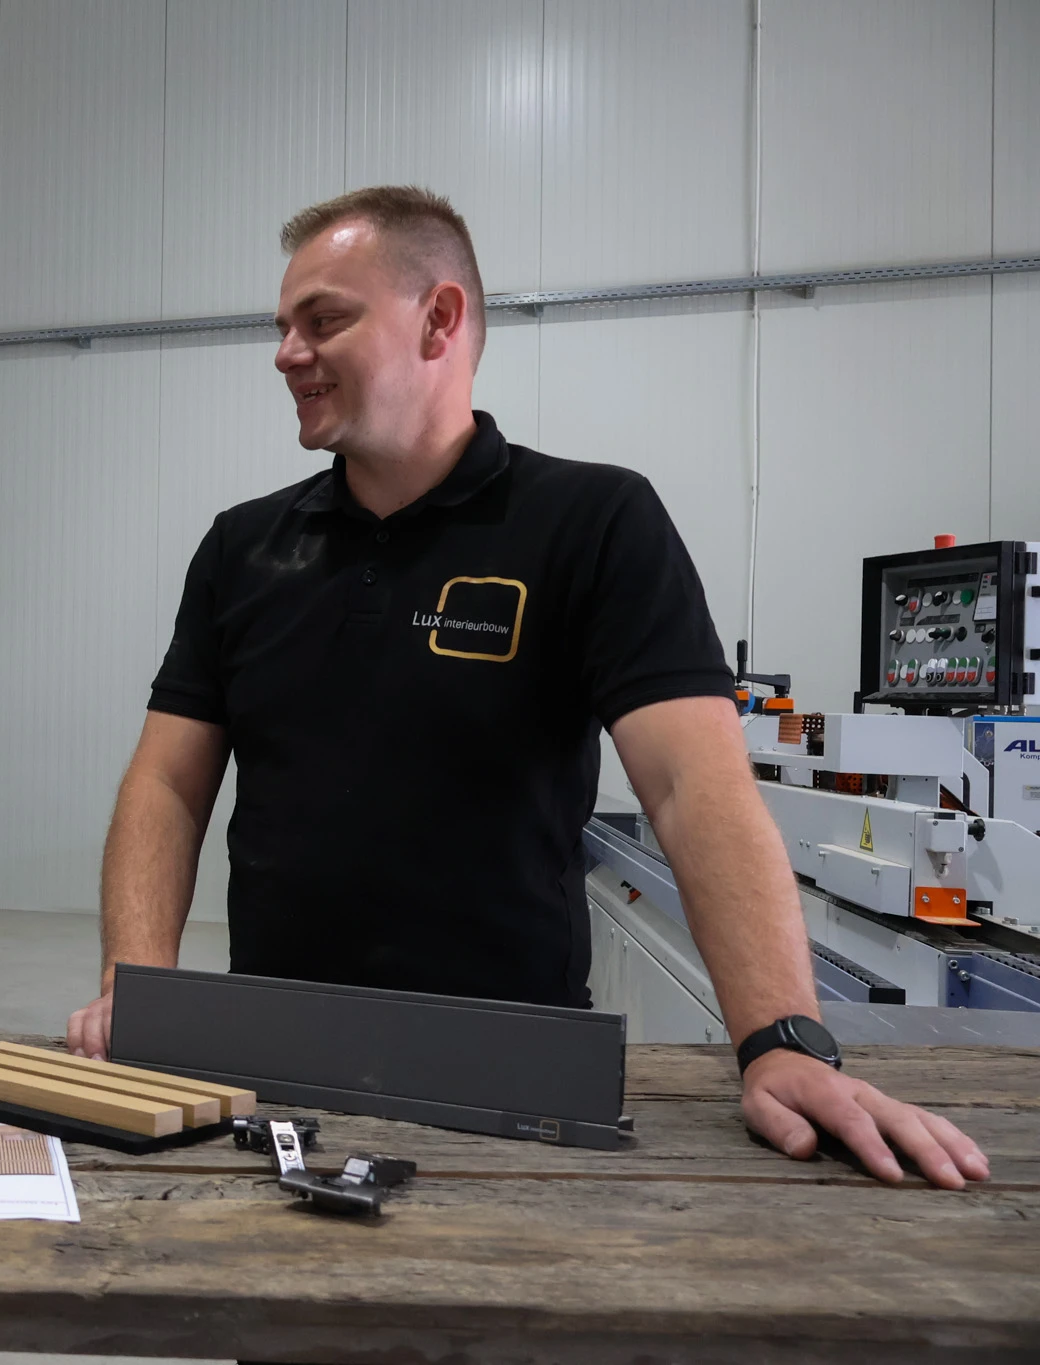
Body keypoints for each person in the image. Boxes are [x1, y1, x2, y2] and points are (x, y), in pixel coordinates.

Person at [65, 186, 988, 1196]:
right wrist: (136, 990)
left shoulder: (592, 524)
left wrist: (781, 1039)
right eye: (282, 326)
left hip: (513, 1070)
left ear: (439, 319)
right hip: (272, 1056)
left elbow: (693, 787)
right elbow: (166, 784)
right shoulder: (242, 549)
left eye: (322, 320)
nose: (286, 353)